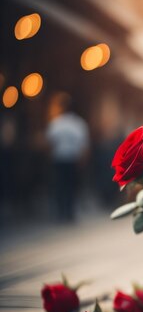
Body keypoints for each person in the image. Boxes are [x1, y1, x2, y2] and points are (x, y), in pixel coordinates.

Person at [45, 92, 89, 222]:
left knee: (59, 186)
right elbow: (84, 146)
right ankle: (69, 213)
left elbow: (49, 144)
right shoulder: (78, 124)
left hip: (59, 159)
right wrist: (83, 162)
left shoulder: (55, 124)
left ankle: (61, 212)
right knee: (71, 186)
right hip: (73, 160)